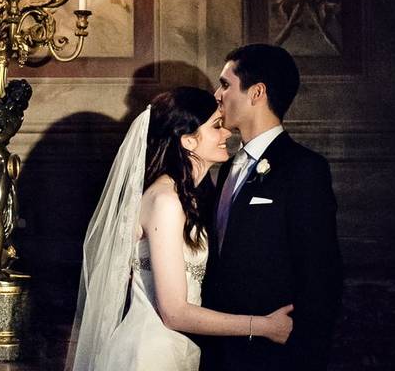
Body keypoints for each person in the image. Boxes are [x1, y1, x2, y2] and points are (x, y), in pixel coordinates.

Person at [68, 87, 294, 371]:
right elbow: (174, 313)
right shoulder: (165, 200)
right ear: (188, 141)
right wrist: (263, 326)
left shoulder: (187, 197)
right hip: (151, 352)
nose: (227, 134)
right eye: (216, 127)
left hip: (176, 348)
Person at [201, 44, 342, 371]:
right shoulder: (227, 167)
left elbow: (321, 274)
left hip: (274, 356)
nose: (217, 95)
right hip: (221, 351)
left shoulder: (303, 168)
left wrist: (303, 353)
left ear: (257, 93)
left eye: (225, 84)